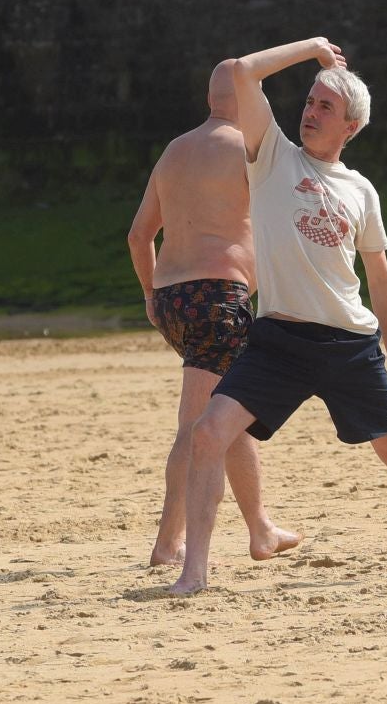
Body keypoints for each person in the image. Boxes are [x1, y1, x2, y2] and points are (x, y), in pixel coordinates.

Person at [168, 38, 387, 595]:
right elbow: (241, 71)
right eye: (309, 102)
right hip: (278, 339)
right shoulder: (272, 155)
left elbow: (381, 282)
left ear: (350, 127)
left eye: (325, 107)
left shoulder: (361, 191)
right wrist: (313, 51)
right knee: (210, 432)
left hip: (349, 345)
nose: (310, 111)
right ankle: (194, 572)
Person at [126, 61, 300, 568]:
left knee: (230, 417)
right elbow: (279, 228)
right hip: (218, 299)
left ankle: (260, 527)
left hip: (175, 300)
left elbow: (139, 237)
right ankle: (167, 542)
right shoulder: (245, 152)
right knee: (196, 425)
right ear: (248, 101)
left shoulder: (175, 150)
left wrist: (150, 295)